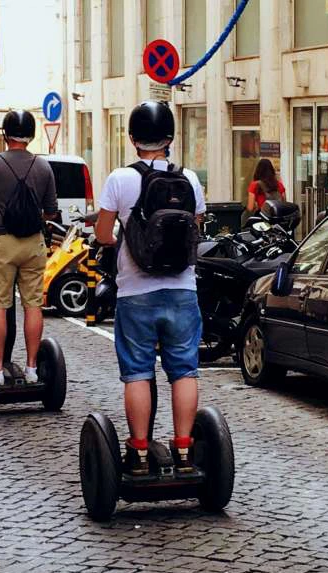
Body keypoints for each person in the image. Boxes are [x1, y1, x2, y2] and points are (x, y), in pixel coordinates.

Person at [95, 100, 206, 476]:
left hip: (135, 291)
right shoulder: (189, 179)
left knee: (138, 371)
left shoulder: (119, 179)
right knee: (184, 371)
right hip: (182, 289)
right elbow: (197, 226)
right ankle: (185, 451)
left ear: (132, 139)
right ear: (170, 138)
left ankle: (140, 452)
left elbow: (103, 235)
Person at [0, 109, 58, 386]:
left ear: (4, 134)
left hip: (1, 241)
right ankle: (32, 367)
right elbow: (51, 212)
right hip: (33, 243)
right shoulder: (43, 166)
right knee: (33, 305)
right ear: (32, 135)